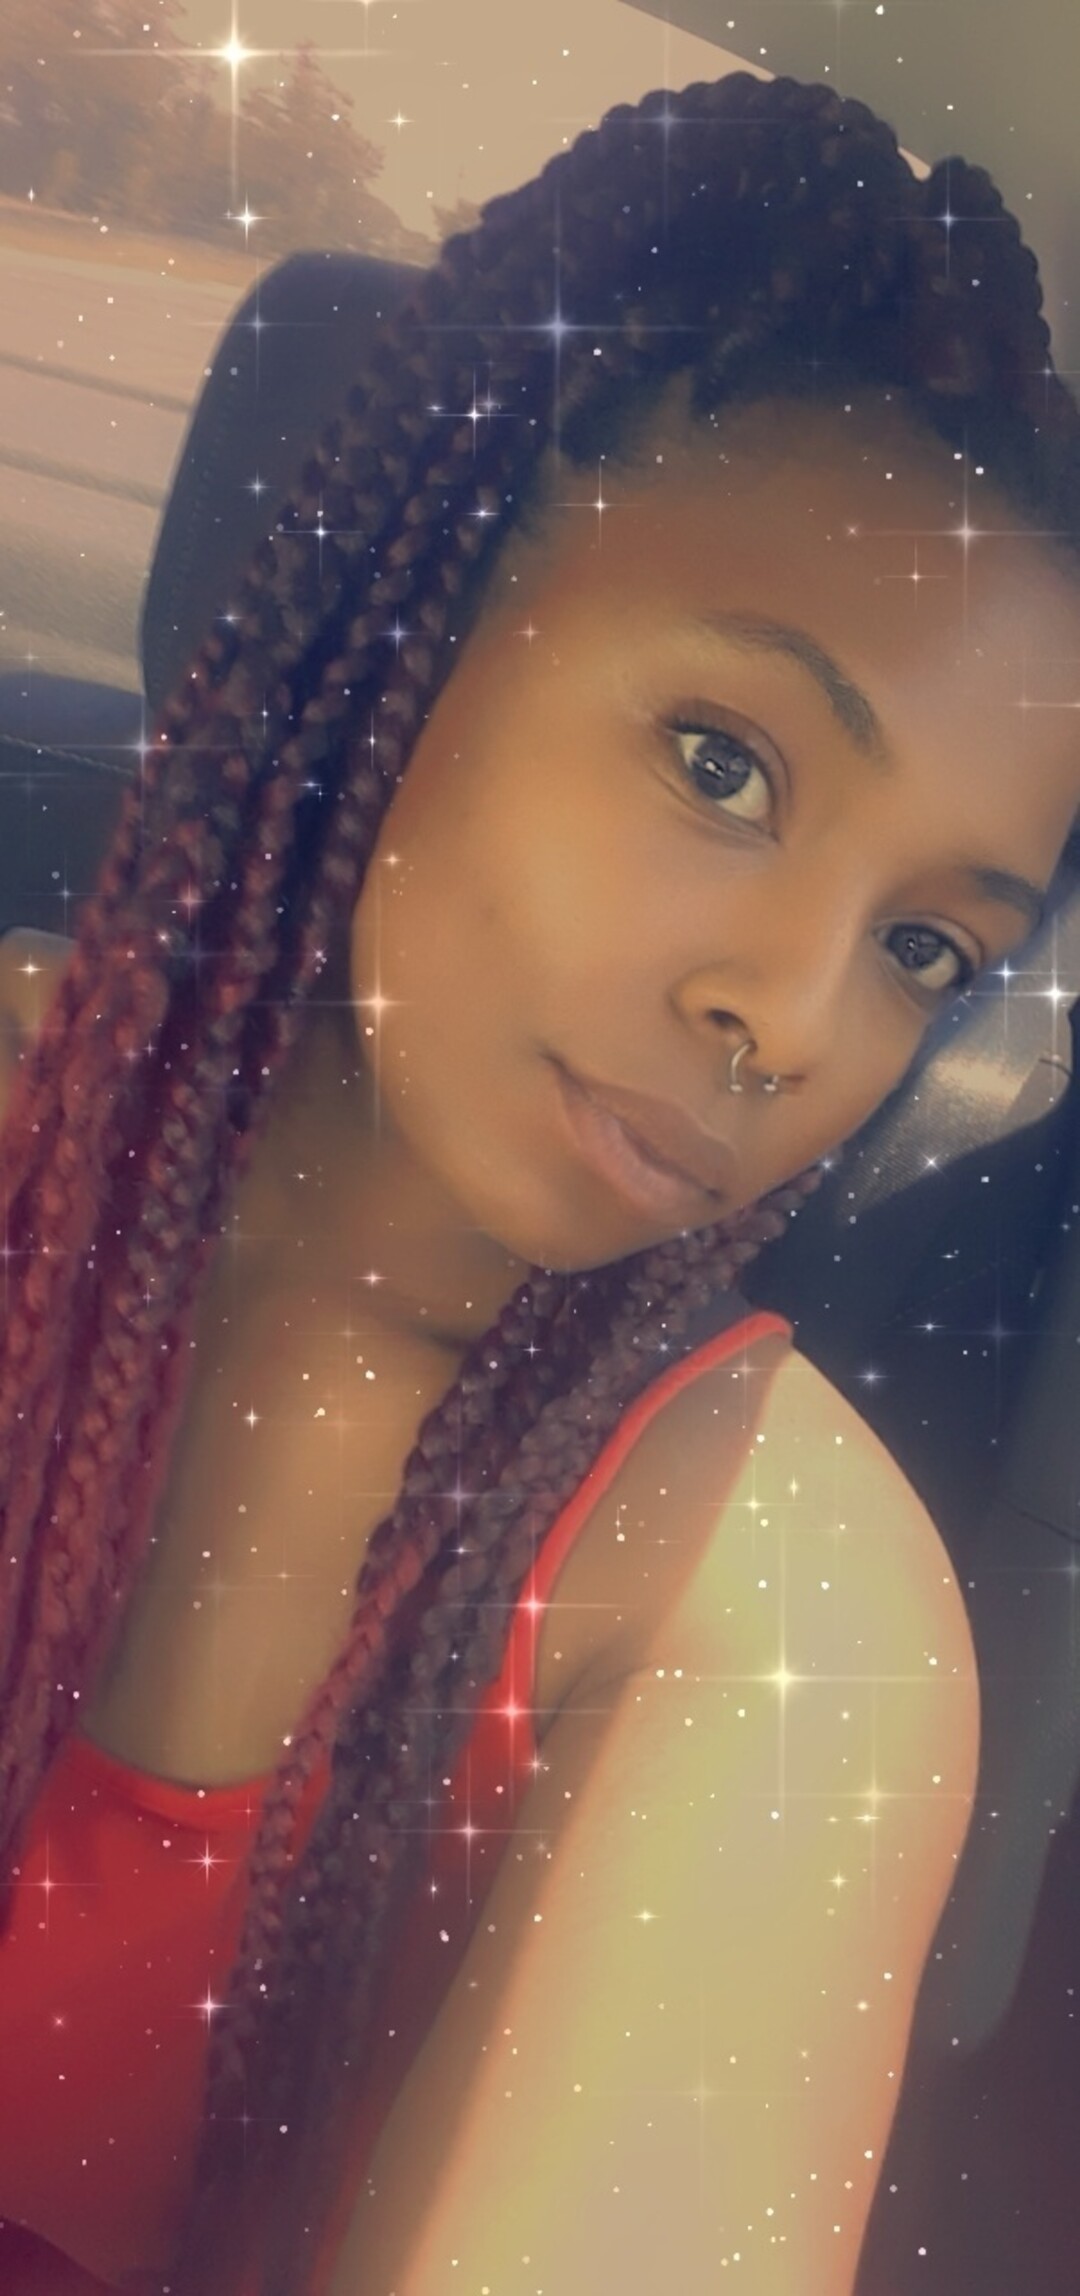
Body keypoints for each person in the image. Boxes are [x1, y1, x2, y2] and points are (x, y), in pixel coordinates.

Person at [1, 63, 1079, 2296]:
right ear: (433, 612)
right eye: (724, 762)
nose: (791, 1017)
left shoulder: (777, 1606)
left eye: (923, 947)